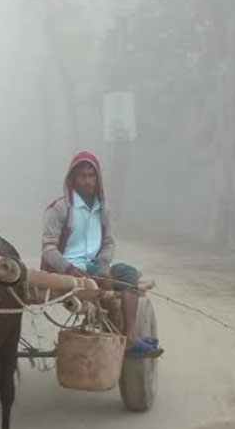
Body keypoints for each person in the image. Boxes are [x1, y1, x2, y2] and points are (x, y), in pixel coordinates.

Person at [41, 151, 163, 358]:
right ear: (73, 179)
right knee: (104, 282)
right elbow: (49, 248)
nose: (87, 181)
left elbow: (108, 243)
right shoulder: (60, 209)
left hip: (95, 267)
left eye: (92, 175)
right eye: (83, 176)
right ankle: (120, 334)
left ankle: (130, 336)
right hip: (66, 271)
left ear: (98, 179)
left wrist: (103, 264)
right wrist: (69, 269)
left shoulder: (103, 210)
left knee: (127, 273)